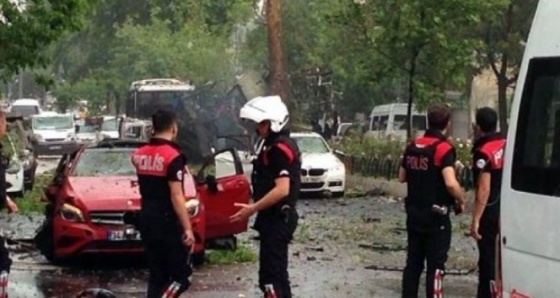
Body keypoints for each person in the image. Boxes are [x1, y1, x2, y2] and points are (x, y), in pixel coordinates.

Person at [230, 95, 300, 298]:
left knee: (270, 279)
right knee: (277, 276)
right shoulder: (274, 146)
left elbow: (282, 189)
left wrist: (252, 208)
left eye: (261, 124)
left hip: (278, 218)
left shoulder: (279, 150)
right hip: (275, 218)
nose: (257, 129)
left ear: (273, 123)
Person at [398, 104, 466, 298]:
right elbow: (451, 184)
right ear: (448, 124)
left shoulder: (412, 146)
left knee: (413, 263)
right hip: (436, 217)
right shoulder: (443, 149)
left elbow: (402, 176)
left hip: (414, 214)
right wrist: (461, 199)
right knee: (436, 267)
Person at [131, 109, 195, 298]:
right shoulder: (173, 157)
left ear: (153, 128)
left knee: (157, 275)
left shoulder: (138, 154)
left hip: (147, 219)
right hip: (167, 222)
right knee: (181, 277)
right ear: (174, 128)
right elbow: (177, 196)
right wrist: (188, 228)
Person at [469, 107, 506, 298]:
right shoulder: (506, 144)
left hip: (491, 210)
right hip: (508, 207)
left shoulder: (484, 151)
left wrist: (476, 219)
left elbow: (484, 189)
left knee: (488, 259)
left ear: (478, 126)